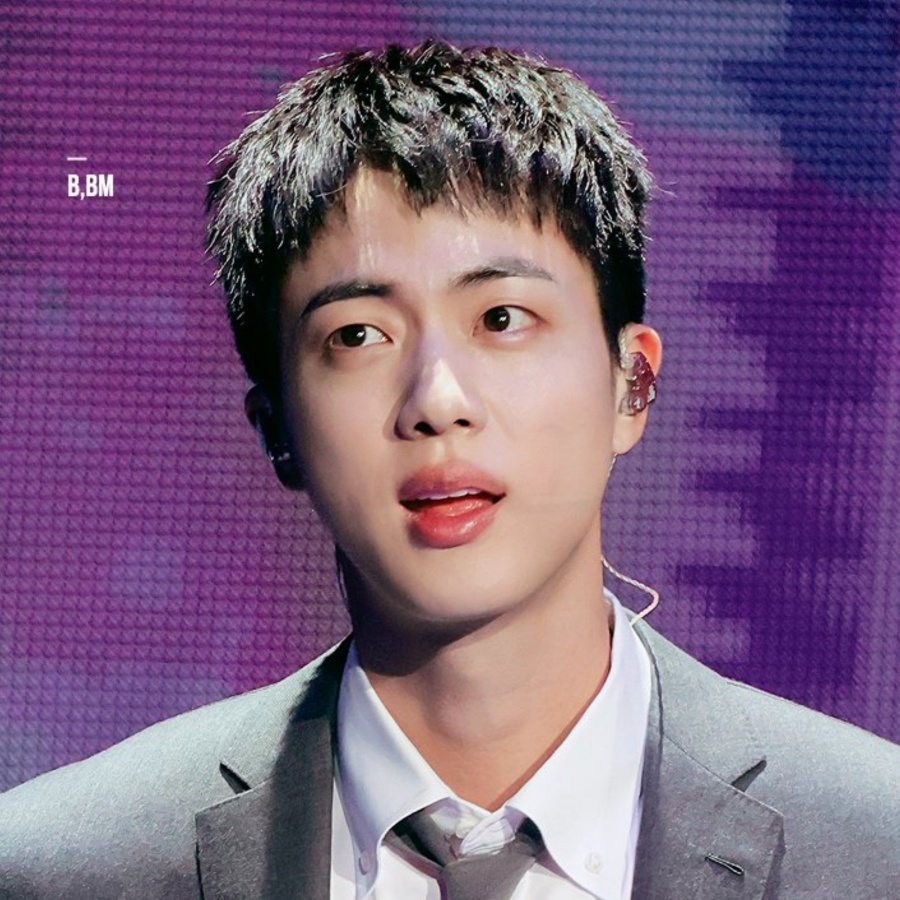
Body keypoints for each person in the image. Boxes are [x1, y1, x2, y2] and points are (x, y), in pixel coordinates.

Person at [0, 40, 897, 900]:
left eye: (502, 319)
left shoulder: (875, 847)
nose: (437, 400)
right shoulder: (63, 869)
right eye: (358, 335)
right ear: (276, 429)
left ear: (633, 383)